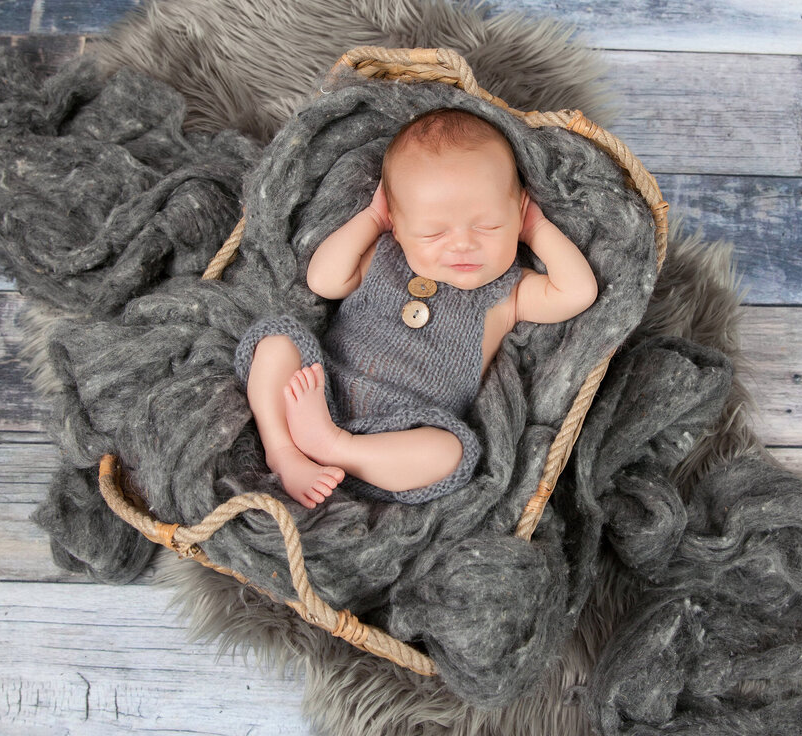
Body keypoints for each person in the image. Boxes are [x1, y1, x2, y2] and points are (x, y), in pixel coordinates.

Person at [235, 108, 597, 508]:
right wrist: (372, 218)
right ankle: (282, 451)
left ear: (518, 214)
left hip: (399, 438)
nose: (462, 244)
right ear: (398, 223)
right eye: (433, 232)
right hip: (321, 392)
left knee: (451, 453)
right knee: (275, 342)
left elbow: (577, 292)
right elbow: (323, 279)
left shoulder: (509, 292)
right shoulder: (384, 256)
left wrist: (538, 229)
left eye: (488, 226)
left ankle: (335, 447)